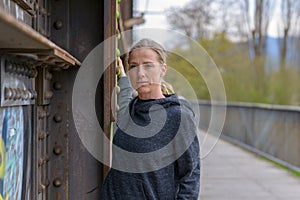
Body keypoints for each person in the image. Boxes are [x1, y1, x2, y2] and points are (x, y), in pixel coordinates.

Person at [100, 38, 200, 199]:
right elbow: (124, 99)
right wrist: (123, 77)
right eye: (133, 66)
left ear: (163, 69)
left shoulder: (178, 116)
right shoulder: (130, 111)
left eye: (148, 65)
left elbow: (190, 175)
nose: (140, 73)